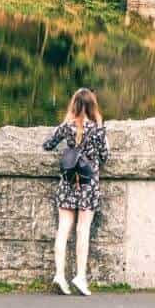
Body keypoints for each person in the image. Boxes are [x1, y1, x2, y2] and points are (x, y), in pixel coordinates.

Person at [42, 87, 109, 296]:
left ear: (74, 105)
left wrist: (66, 124)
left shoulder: (66, 127)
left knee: (63, 230)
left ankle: (59, 276)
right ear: (93, 107)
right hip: (88, 185)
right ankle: (80, 277)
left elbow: (48, 145)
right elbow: (106, 156)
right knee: (83, 230)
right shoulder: (98, 129)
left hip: (68, 183)